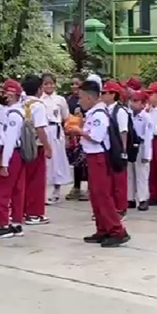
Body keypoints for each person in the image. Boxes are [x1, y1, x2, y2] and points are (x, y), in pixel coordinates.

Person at [67, 80, 130, 247]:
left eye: (80, 97)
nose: (79, 101)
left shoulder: (99, 115)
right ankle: (103, 229)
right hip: (93, 157)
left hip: (100, 157)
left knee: (103, 195)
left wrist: (79, 131)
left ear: (89, 97)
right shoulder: (94, 113)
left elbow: (96, 137)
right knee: (95, 195)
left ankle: (117, 230)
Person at [0, 79, 27, 240]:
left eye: (7, 94)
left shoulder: (13, 115)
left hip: (11, 155)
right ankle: (16, 222)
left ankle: (3, 225)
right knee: (17, 189)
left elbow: (9, 141)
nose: (5, 96)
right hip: (17, 155)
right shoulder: (21, 111)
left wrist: (4, 164)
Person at [19, 75, 52, 226]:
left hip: (22, 145)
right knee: (37, 181)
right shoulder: (38, 105)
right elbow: (40, 128)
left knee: (24, 178)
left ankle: (23, 210)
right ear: (39, 89)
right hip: (35, 146)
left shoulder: (21, 102)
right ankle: (34, 213)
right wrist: (47, 147)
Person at [40, 73, 72, 204]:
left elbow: (66, 118)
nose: (49, 86)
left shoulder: (60, 100)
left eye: (51, 83)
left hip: (57, 131)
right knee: (45, 161)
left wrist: (68, 136)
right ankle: (43, 191)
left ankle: (57, 190)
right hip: (43, 130)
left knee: (57, 160)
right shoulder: (39, 100)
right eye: (46, 84)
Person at [101, 80, 131, 215]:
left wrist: (123, 151)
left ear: (113, 94)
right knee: (108, 181)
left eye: (104, 93)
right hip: (107, 148)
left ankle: (121, 207)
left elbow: (123, 132)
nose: (102, 95)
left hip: (117, 149)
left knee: (119, 180)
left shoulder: (120, 111)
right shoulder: (104, 109)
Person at [128, 90, 153, 211]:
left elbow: (148, 136)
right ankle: (130, 198)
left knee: (142, 174)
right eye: (132, 101)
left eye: (136, 101)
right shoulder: (128, 115)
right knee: (129, 174)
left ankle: (143, 199)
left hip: (141, 145)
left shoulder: (146, 117)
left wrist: (147, 154)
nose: (132, 104)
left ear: (143, 104)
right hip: (130, 146)